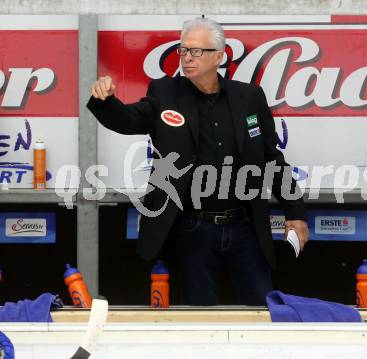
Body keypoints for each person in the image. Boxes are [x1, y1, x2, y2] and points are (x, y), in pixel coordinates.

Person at [87, 17, 308, 306]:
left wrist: (295, 211)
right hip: (191, 227)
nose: (186, 58)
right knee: (196, 312)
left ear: (219, 56)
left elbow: (271, 159)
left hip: (244, 225)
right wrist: (106, 101)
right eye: (183, 50)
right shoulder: (165, 93)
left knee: (262, 309)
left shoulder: (249, 97)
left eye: (196, 51)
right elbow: (129, 120)